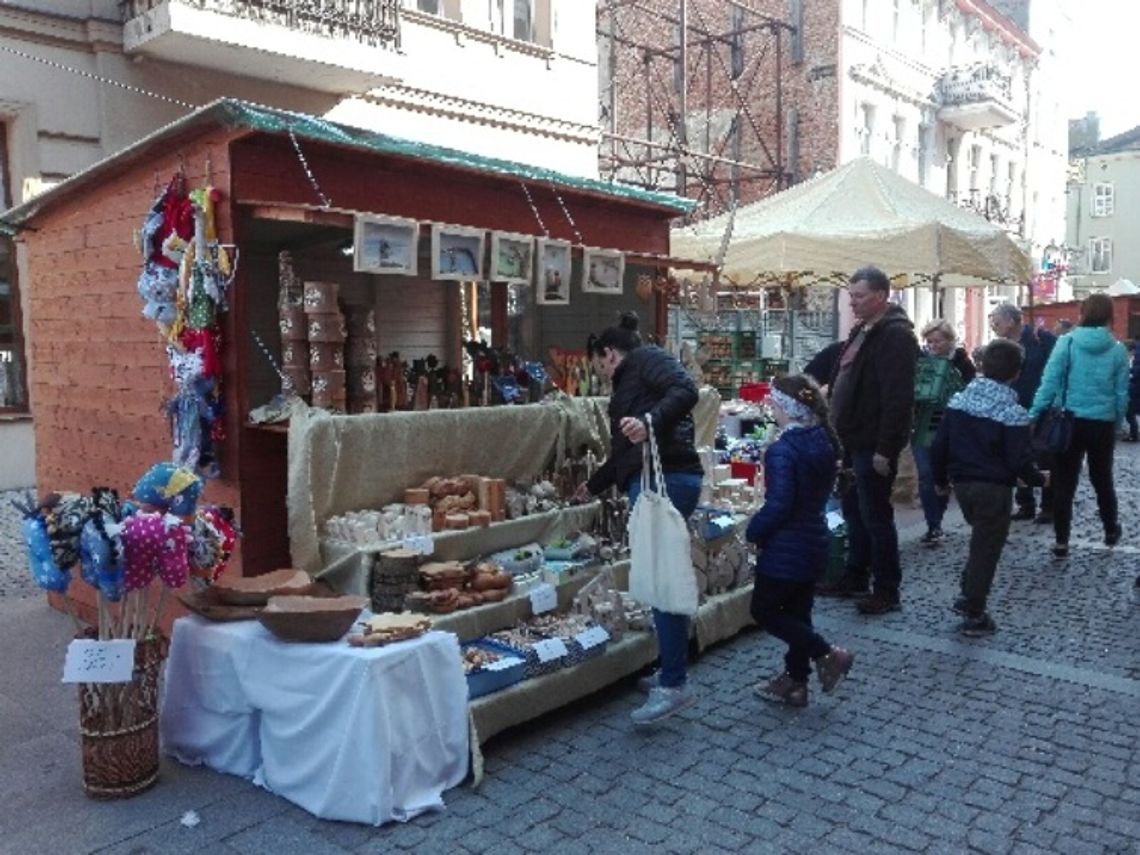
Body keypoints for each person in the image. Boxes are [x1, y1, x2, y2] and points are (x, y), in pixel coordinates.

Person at [577, 311, 704, 724]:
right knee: (658, 575)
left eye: (599, 365)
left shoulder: (645, 359)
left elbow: (686, 389)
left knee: (662, 579)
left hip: (666, 480)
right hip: (653, 479)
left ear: (609, 354)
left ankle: (674, 685)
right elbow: (623, 453)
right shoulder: (632, 381)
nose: (600, 373)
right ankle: (672, 668)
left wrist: (649, 423)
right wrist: (593, 486)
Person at [748, 374, 854, 707]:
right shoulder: (821, 439)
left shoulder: (784, 449)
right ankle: (795, 684)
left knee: (765, 611)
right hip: (814, 541)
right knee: (798, 614)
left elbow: (780, 504)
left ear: (784, 406)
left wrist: (754, 531)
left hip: (786, 547)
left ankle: (828, 653)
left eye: (773, 402)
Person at [931, 340, 1047, 637]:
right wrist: (1039, 479)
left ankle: (967, 593)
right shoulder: (1013, 412)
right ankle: (974, 609)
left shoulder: (959, 402)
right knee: (986, 549)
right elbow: (1019, 459)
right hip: (993, 490)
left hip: (963, 486)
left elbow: (939, 446)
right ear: (1017, 373)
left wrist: (940, 480)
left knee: (979, 542)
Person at [821, 266, 918, 615]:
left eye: (859, 296)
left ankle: (887, 589)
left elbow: (898, 399)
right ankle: (856, 575)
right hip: (851, 438)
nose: (853, 302)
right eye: (851, 295)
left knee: (876, 516)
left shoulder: (895, 336)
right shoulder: (865, 329)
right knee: (854, 511)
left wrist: (885, 449)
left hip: (871, 441)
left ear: (880, 296)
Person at [1028, 293, 1129, 558]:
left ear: (1083, 313)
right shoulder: (1118, 350)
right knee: (1102, 479)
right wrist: (1116, 422)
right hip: (1102, 423)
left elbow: (1049, 383)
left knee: (1064, 482)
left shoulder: (1067, 343)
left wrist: (1034, 414)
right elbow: (1121, 394)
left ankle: (1062, 540)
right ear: (1109, 315)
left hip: (1068, 421)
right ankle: (1110, 528)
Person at [989, 304, 1056, 523]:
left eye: (996, 321)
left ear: (1011, 321)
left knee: (1045, 456)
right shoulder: (999, 346)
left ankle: (1048, 506)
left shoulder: (1040, 339)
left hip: (1042, 407)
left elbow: (1055, 371)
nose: (993, 325)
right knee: (1017, 455)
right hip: (1010, 407)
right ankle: (1025, 503)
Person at [913, 320, 976, 547]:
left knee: (941, 477)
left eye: (937, 341)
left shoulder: (962, 363)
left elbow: (971, 391)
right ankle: (934, 525)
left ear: (950, 341)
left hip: (950, 428)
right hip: (921, 426)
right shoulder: (920, 361)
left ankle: (938, 517)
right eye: (929, 341)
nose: (932, 345)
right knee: (926, 476)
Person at [1123, 339, 1140, 442]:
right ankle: (1133, 434)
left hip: (1133, 391)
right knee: (1130, 414)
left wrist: (1129, 374)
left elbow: (1135, 374)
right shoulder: (1133, 359)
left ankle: (1134, 435)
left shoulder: (1136, 359)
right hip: (1132, 390)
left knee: (1130, 413)